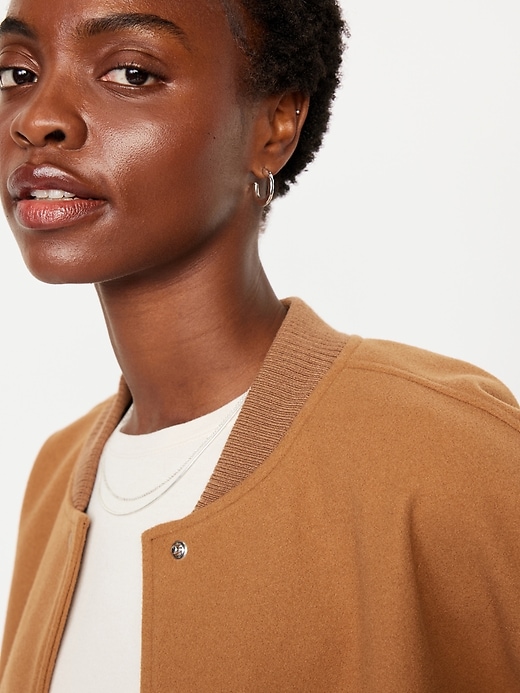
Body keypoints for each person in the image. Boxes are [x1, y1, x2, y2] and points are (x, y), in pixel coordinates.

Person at [0, 0, 519, 691]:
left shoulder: (448, 453)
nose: (37, 118)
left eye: (130, 72)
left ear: (276, 125)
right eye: (17, 72)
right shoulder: (55, 478)